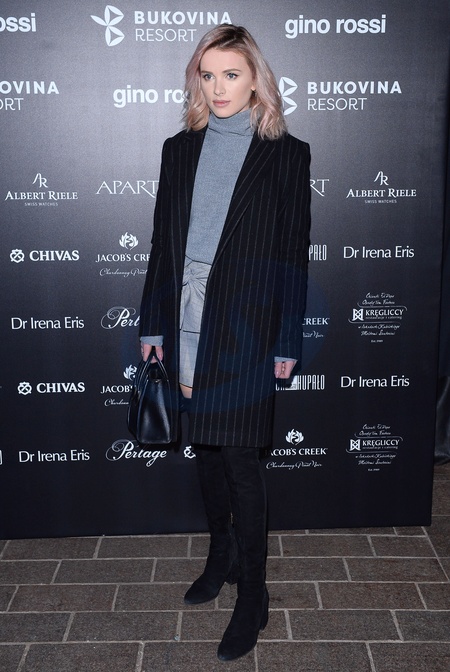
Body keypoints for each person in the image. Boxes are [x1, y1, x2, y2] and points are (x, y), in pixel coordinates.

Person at [139, 24, 311, 661]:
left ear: (255, 79)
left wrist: (286, 340)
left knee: (239, 458)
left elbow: (292, 255)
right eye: (206, 75)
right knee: (207, 450)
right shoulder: (178, 149)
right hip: (185, 316)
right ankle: (221, 557)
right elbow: (162, 243)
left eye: (230, 75)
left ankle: (254, 594)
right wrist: (152, 325)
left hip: (246, 326)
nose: (217, 88)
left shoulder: (287, 155)